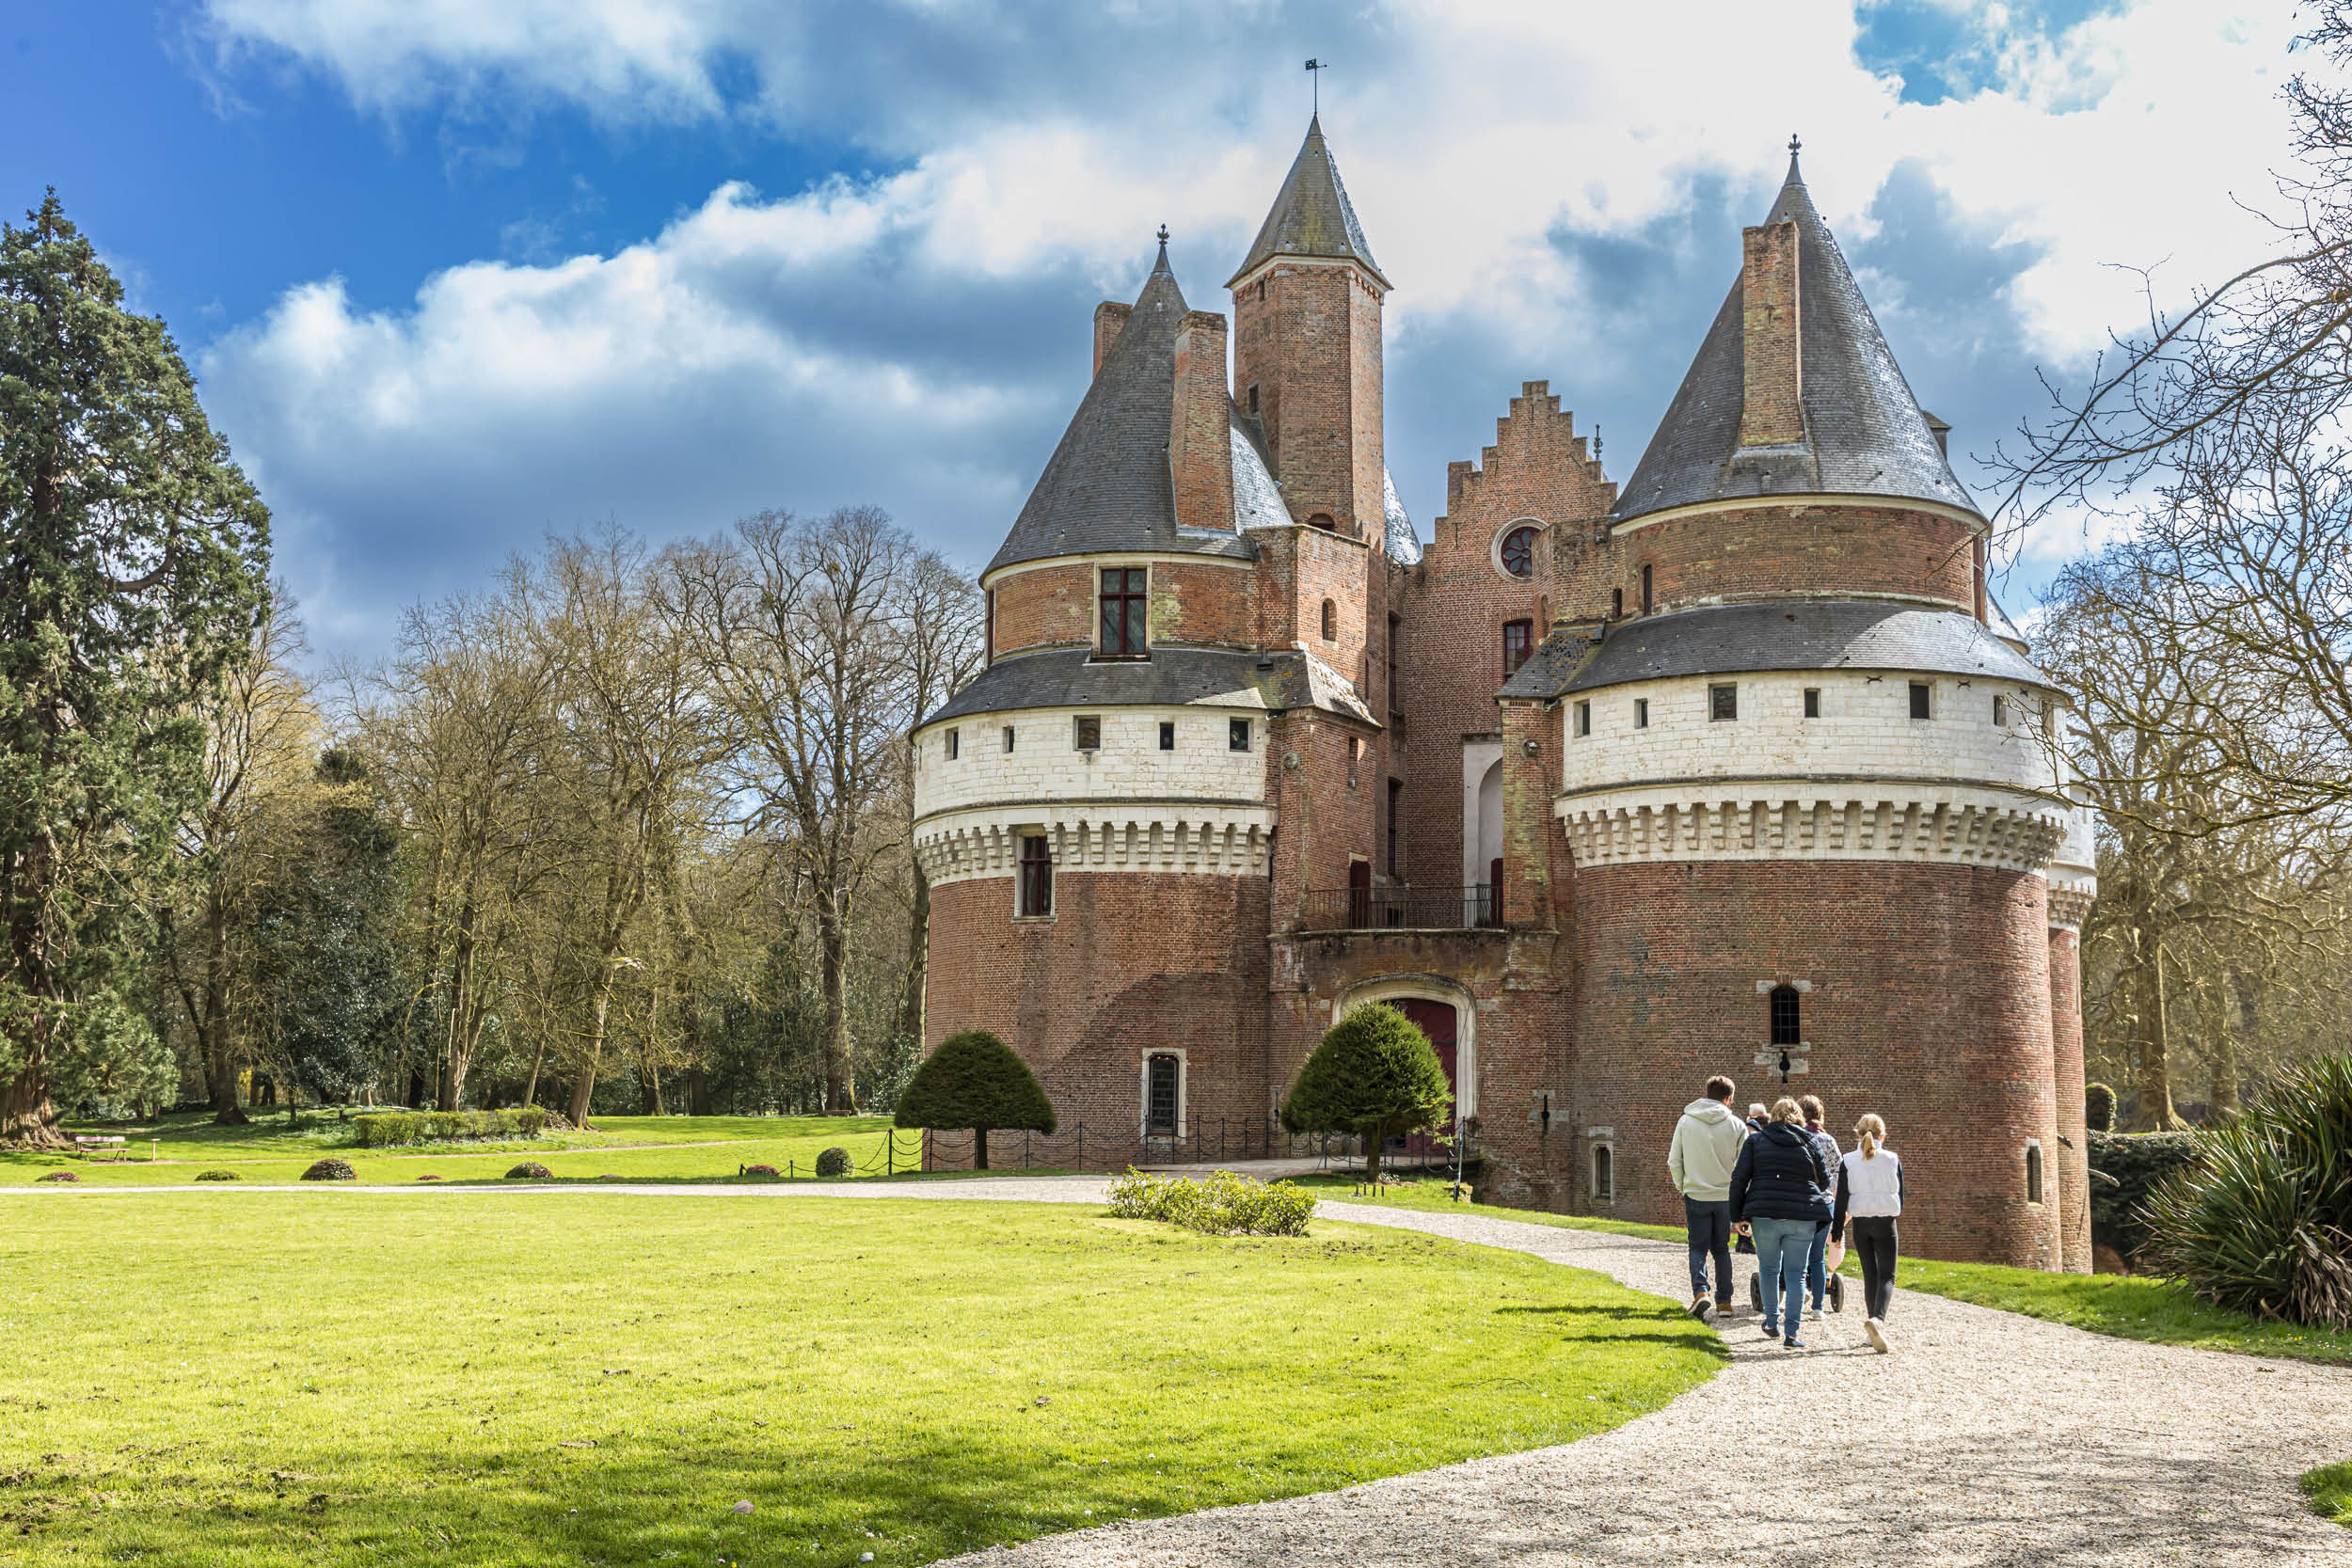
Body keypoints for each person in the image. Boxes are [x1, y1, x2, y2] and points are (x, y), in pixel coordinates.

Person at [1728, 1097, 1833, 1350]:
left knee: (1769, 1268)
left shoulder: (1756, 1141)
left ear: (1773, 1117)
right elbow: (1825, 1181)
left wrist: (1737, 1215)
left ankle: (1772, 1321)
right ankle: (1792, 1333)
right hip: (1802, 1214)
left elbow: (1740, 1179)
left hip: (1765, 1213)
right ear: (1799, 1118)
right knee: (1796, 1275)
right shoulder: (1810, 1141)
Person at [1666, 1074, 1748, 1321]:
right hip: (1725, 1195)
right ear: (1728, 1099)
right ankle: (1724, 1302)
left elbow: (1674, 1161)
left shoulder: (1686, 1122)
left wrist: (1684, 1187)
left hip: (1696, 1193)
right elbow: (1744, 1166)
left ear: (1707, 1093)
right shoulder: (1737, 1126)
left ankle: (1701, 1292)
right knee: (1721, 1249)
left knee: (1698, 1247)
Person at [1831, 1113, 1905, 1353]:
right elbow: (1900, 1194)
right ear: (1883, 1135)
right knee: (1887, 1276)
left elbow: (1841, 1198)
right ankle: (1877, 1321)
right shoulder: (1892, 1159)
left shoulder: (1848, 1160)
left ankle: (1873, 1326)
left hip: (1861, 1223)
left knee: (1870, 1275)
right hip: (1885, 1221)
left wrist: (1837, 1231)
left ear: (1858, 1134)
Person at [1798, 1094, 1844, 1320]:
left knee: (1795, 1252)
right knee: (1817, 1257)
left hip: (1800, 1202)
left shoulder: (1797, 1137)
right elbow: (1839, 1171)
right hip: (1824, 1203)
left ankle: (1800, 1292)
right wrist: (1828, 1191)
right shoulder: (1828, 1141)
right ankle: (1817, 1307)